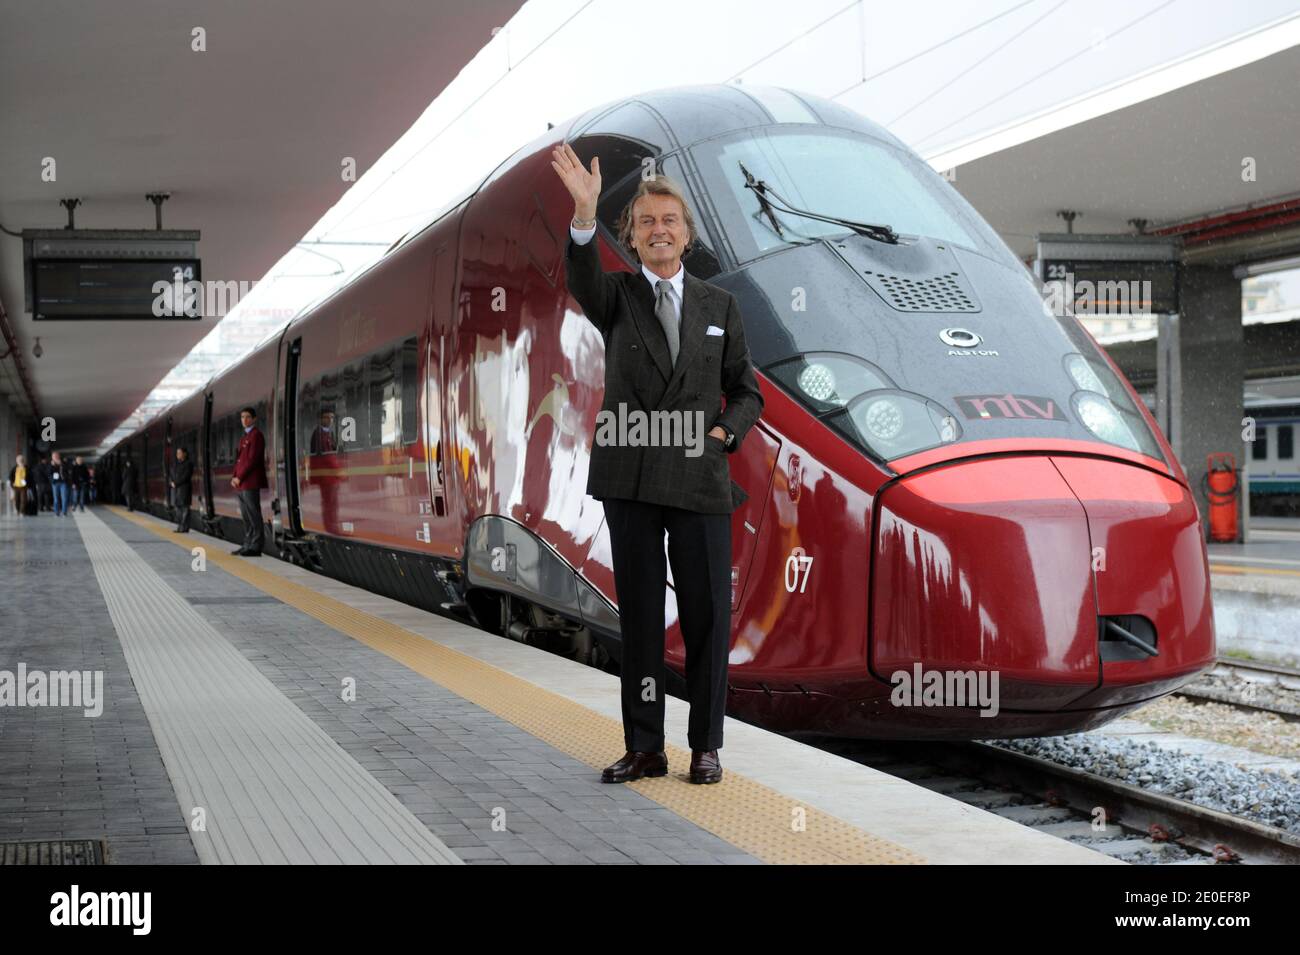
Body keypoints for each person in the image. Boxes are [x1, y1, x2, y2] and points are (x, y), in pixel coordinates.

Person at [551, 144, 763, 785]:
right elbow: (581, 278)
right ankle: (645, 746)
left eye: (669, 220)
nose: (658, 229)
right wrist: (583, 216)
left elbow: (747, 389)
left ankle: (706, 746)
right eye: (646, 222)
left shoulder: (719, 307)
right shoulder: (614, 296)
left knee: (706, 617)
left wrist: (725, 435)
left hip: (700, 478)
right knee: (641, 618)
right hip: (633, 480)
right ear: (632, 238)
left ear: (687, 235)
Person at [231, 406, 267, 556]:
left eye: (247, 417)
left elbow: (252, 460)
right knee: (246, 516)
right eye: (242, 417)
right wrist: (234, 476)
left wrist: (239, 477)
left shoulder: (256, 436)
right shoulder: (244, 438)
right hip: (241, 484)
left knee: (253, 515)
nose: (244, 420)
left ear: (254, 419)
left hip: (250, 482)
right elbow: (239, 461)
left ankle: (256, 546)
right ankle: (247, 544)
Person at [170, 447, 194, 533]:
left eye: (179, 453)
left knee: (185, 509)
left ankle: (184, 527)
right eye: (177, 453)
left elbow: (186, 476)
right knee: (178, 509)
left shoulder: (188, 464)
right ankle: (180, 526)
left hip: (184, 489)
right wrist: (172, 482)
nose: (177, 455)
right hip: (177, 490)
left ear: (185, 454)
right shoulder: (176, 464)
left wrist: (175, 483)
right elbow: (172, 474)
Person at [49, 452, 69, 516]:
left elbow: (67, 470)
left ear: (59, 456)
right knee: (56, 498)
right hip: (55, 483)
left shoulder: (63, 463)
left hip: (63, 482)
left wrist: (61, 464)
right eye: (54, 456)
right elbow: (48, 473)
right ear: (52, 457)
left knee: (64, 498)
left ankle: (64, 512)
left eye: (56, 456)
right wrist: (52, 465)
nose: (55, 457)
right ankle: (56, 512)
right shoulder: (50, 464)